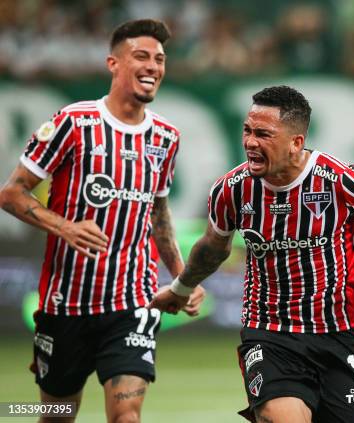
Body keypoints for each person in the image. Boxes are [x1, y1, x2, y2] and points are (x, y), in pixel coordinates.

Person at [149, 85, 354, 423]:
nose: (250, 142)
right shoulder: (232, 190)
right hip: (270, 334)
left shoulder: (340, 179)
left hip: (341, 334)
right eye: (247, 131)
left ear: (296, 142)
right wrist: (180, 288)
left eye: (263, 134)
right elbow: (212, 248)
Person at [0, 19, 204, 423]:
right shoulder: (72, 123)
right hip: (65, 304)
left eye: (160, 59)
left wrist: (182, 279)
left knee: (126, 416)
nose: (153, 67)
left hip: (132, 300)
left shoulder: (166, 136)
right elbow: (11, 194)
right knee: (56, 414)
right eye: (141, 56)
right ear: (113, 63)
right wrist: (66, 226)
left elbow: (158, 214)